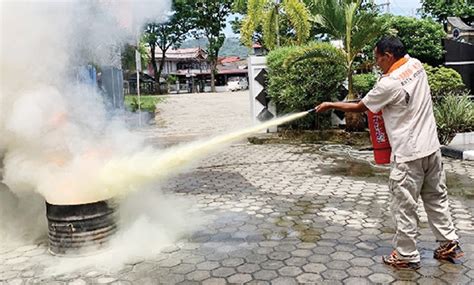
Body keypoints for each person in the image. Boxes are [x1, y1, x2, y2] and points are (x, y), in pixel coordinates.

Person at [315, 36, 464, 270]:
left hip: (408, 154)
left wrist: (331, 105)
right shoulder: (416, 65)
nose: (376, 64)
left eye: (377, 59)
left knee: (404, 206)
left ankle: (406, 255)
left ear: (388, 56)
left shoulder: (389, 83)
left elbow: (361, 106)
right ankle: (448, 243)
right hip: (432, 149)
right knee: (436, 198)